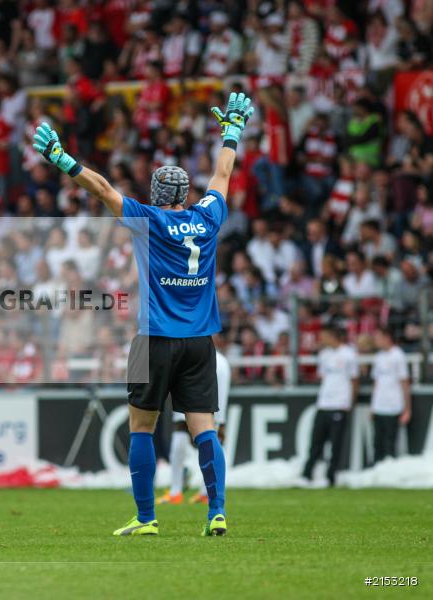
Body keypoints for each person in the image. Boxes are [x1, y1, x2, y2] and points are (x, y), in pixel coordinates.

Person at [33, 92, 257, 537]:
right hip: (200, 342)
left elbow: (100, 188)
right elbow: (223, 172)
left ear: (156, 193)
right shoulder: (210, 217)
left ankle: (147, 518)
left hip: (151, 337)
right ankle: (216, 512)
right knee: (204, 430)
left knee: (141, 426)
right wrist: (232, 130)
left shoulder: (147, 219)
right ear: (185, 194)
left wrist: (61, 158)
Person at [159, 345, 231, 505]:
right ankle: (210, 495)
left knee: (181, 426)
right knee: (215, 430)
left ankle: (175, 491)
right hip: (214, 359)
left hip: (191, 360)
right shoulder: (221, 359)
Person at [301, 327, 358, 487]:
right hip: (323, 403)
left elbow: (354, 380)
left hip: (340, 404)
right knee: (316, 442)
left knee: (336, 444)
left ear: (334, 336)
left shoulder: (349, 354)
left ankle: (331, 476)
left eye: (324, 336)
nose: (321, 339)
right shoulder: (324, 355)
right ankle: (307, 474)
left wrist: (350, 403)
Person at [370, 329, 411, 463]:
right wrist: (373, 406)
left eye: (378, 337)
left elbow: (404, 383)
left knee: (390, 443)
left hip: (393, 406)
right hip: (379, 406)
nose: (376, 341)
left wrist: (407, 408)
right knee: (377, 443)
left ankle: (389, 473)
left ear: (387, 337)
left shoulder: (398, 355)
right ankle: (376, 473)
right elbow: (376, 383)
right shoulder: (378, 357)